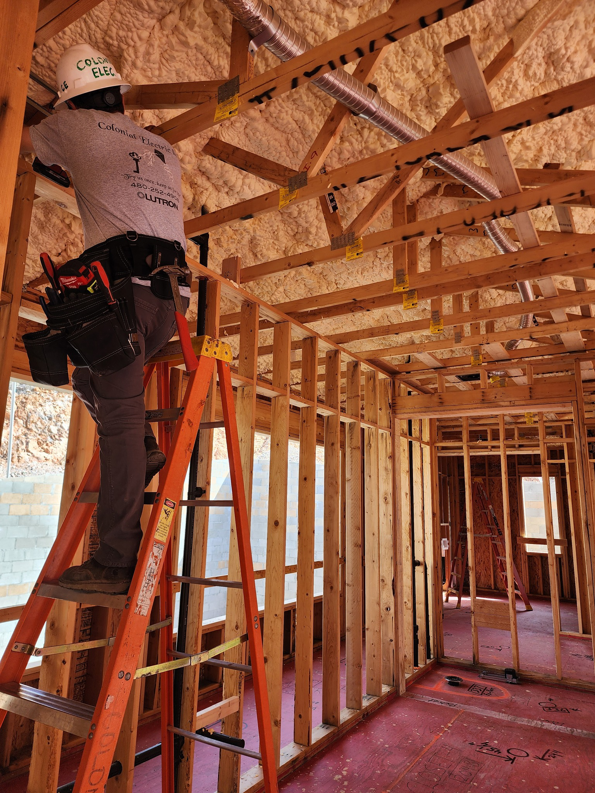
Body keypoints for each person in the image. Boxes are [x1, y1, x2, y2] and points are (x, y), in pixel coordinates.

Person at [21, 44, 190, 594]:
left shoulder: (73, 126)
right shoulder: (163, 147)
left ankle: (116, 560)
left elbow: (19, 141)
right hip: (171, 305)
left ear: (71, 100)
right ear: (118, 93)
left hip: (123, 303)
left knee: (116, 421)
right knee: (88, 379)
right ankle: (143, 446)